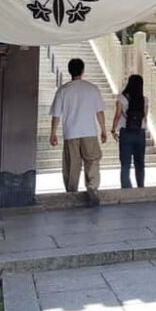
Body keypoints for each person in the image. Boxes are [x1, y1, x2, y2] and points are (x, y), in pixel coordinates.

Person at [49, 58, 107, 205]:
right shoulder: (92, 89)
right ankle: (92, 188)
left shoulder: (63, 90)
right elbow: (99, 112)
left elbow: (56, 114)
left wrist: (53, 133)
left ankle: (71, 192)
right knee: (92, 160)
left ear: (69, 71)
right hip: (89, 131)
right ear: (83, 70)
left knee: (71, 164)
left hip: (71, 132)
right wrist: (103, 130)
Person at [111, 74, 148, 188]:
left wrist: (113, 130)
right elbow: (145, 116)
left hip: (126, 133)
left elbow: (117, 115)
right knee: (140, 163)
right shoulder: (144, 100)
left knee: (125, 164)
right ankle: (140, 187)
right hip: (140, 133)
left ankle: (127, 189)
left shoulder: (122, 98)